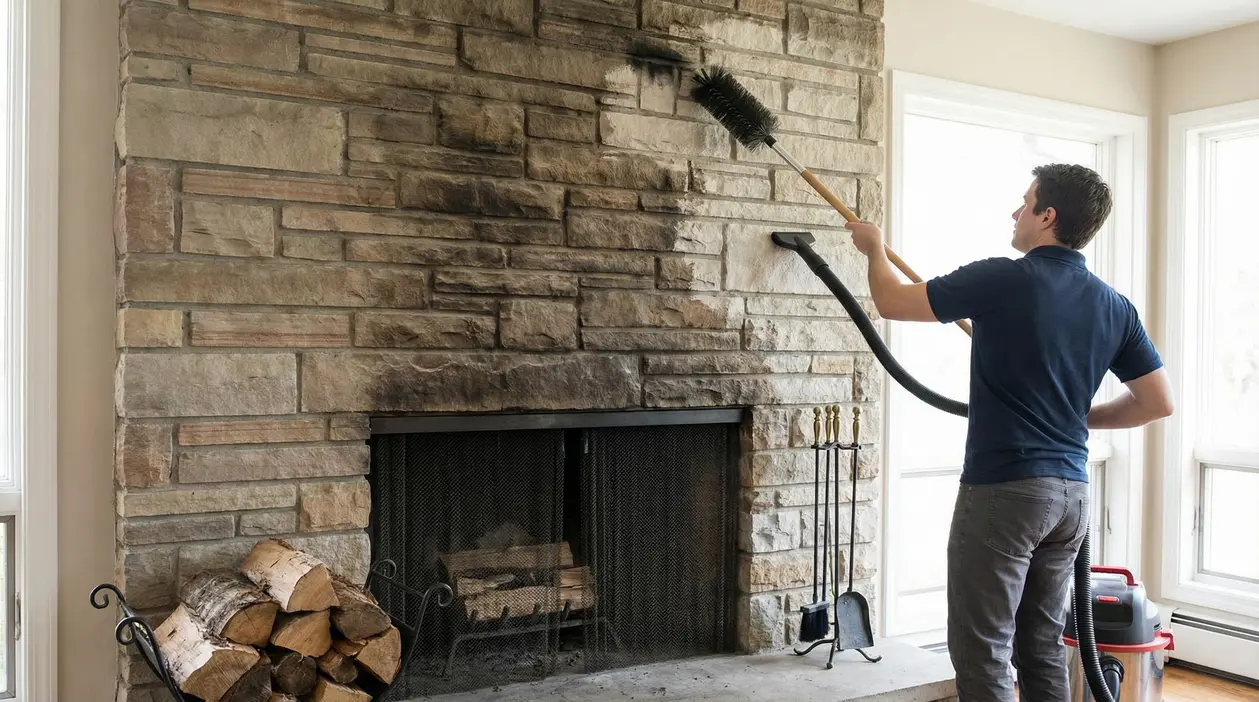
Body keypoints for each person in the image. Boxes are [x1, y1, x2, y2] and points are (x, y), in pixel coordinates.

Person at [845, 163, 1174, 701]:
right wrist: (1076, 415)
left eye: (1025, 203)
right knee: (1041, 645)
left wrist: (874, 248)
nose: (1015, 213)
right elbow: (1157, 402)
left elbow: (890, 302)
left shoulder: (1003, 277)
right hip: (1070, 498)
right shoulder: (1114, 305)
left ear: (1048, 216)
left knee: (983, 649)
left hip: (1005, 493)